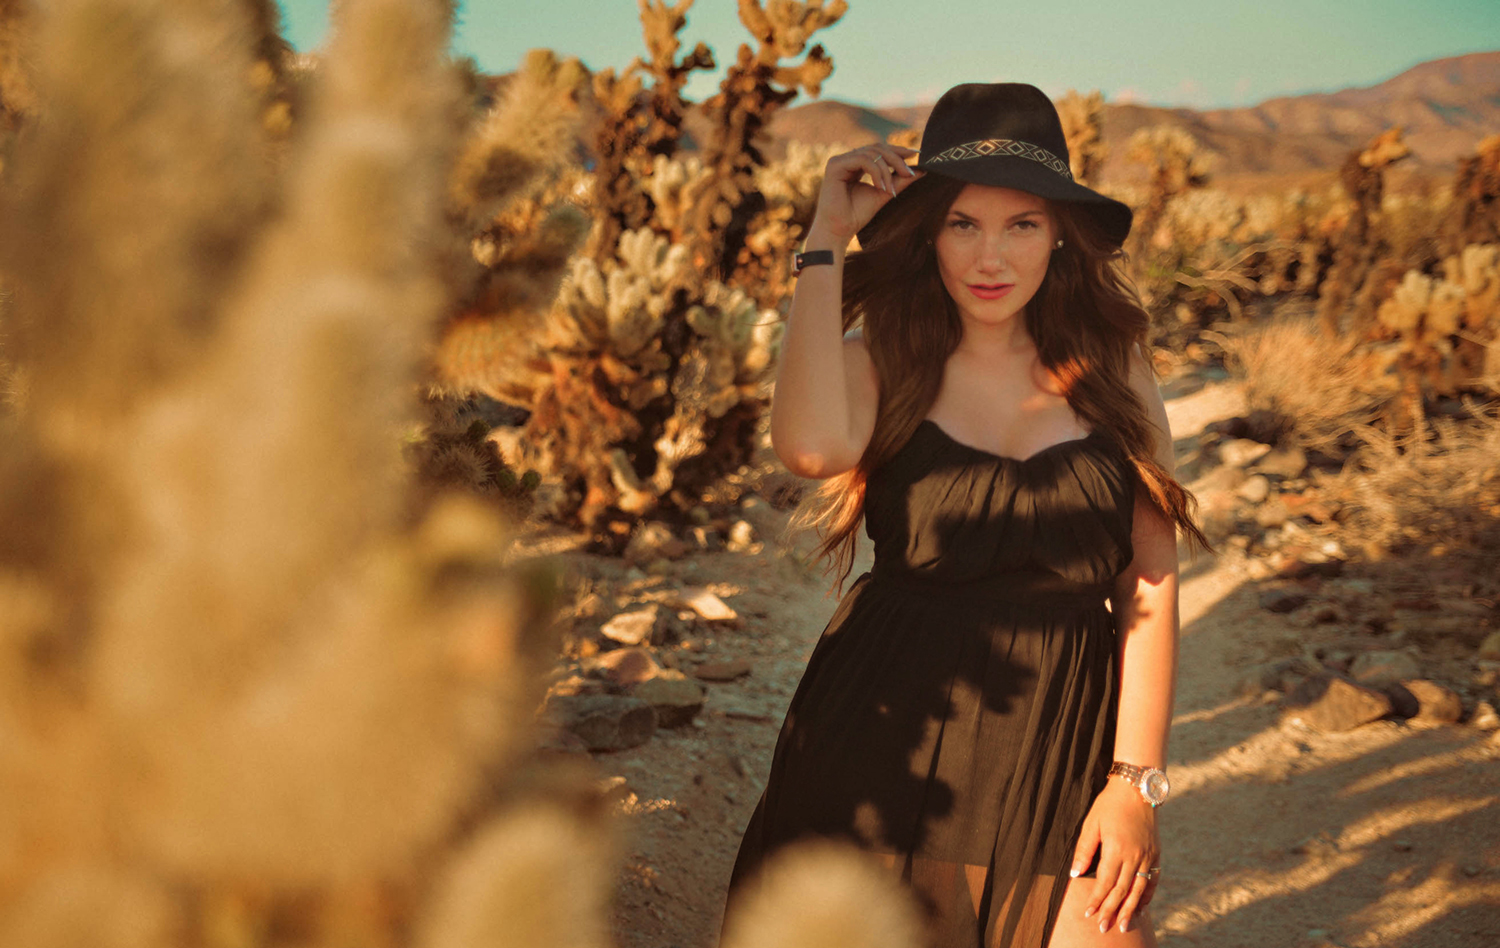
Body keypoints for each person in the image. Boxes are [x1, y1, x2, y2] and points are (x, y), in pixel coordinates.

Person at [720, 82, 1209, 948]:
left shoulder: (1115, 364)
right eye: (963, 224)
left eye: (1021, 224)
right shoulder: (885, 358)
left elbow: (1151, 574)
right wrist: (824, 241)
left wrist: (1135, 782)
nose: (992, 257)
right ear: (930, 232)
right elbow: (807, 452)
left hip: (1055, 741)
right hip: (882, 728)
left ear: (1060, 233)